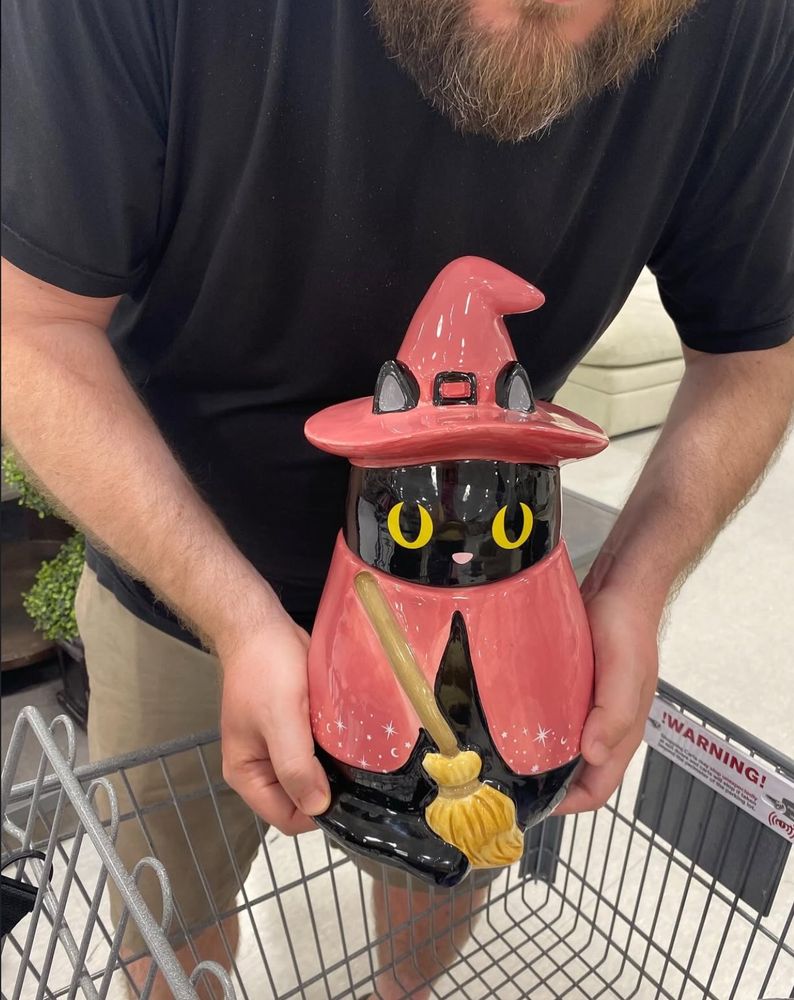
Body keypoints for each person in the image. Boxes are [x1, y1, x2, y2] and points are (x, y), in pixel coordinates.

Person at [2, 0, 792, 996]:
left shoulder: (743, 23)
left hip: (495, 611)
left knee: (441, 863)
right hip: (178, 581)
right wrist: (237, 617)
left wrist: (631, 586)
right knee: (169, 913)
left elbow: (752, 356)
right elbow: (28, 325)